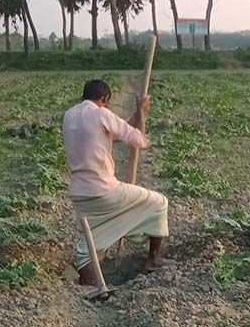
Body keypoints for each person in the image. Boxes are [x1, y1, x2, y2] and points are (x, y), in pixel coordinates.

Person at [62, 79, 169, 285]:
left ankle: (87, 281)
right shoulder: (101, 113)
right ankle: (153, 259)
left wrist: (139, 113)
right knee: (159, 203)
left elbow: (122, 130)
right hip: (103, 191)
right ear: (104, 99)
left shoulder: (70, 115)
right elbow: (137, 139)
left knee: (91, 240)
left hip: (80, 195)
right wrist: (144, 112)